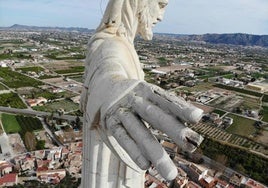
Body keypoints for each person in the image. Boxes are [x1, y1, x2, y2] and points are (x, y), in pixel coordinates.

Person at [81, 0, 203, 187]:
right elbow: (107, 67)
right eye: (161, 4)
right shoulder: (111, 45)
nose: (161, 16)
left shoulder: (123, 44)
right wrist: (113, 89)